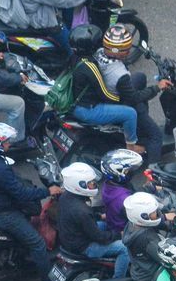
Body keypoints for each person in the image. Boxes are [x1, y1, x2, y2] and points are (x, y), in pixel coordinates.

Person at [0, 123, 59, 281]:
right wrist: (48, 191)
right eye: (5, 142)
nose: (9, 144)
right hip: (3, 214)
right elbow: (21, 194)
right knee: (38, 243)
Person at [67, 24, 145, 156]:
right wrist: (123, 100)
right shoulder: (90, 67)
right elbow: (104, 93)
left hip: (76, 100)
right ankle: (131, 146)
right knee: (130, 113)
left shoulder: (75, 57)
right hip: (87, 109)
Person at [94, 23, 166, 163]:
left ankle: (141, 123)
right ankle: (153, 177)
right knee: (156, 136)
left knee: (139, 77)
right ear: (119, 52)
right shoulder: (120, 75)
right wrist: (157, 88)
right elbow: (133, 97)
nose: (128, 52)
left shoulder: (99, 53)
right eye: (126, 50)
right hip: (121, 100)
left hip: (107, 91)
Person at [57, 162, 130, 281]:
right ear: (79, 185)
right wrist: (119, 234)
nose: (94, 185)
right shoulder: (82, 211)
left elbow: (81, 220)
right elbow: (99, 237)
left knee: (105, 224)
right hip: (84, 246)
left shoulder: (66, 197)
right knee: (124, 248)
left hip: (72, 236)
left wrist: (99, 217)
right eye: (90, 183)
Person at [122, 191, 170, 281]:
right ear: (143, 216)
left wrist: (164, 220)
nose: (157, 214)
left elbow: (153, 221)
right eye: (153, 213)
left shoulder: (132, 224)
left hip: (140, 272)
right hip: (151, 280)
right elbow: (167, 259)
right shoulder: (147, 238)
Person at [100, 148, 143, 238]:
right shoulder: (123, 199)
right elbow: (140, 215)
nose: (131, 172)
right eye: (128, 171)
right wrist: (164, 218)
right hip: (126, 231)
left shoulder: (108, 184)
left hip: (114, 222)